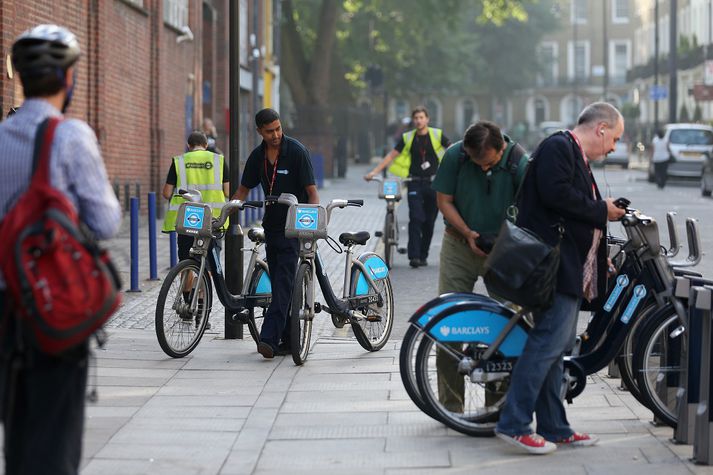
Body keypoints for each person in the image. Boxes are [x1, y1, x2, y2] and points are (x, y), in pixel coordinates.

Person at [0, 24, 122, 474]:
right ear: (68, 80)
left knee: (17, 432)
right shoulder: (70, 137)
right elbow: (106, 221)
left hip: (3, 307)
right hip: (52, 304)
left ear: (20, 79)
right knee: (53, 440)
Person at [494, 102, 626, 454]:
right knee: (546, 345)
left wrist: (600, 256)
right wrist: (603, 210)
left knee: (555, 350)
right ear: (600, 128)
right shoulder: (558, 146)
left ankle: (555, 426)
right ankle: (514, 422)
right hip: (555, 268)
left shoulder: (574, 154)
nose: (613, 147)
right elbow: (557, 196)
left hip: (568, 267)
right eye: (614, 138)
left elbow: (572, 208)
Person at [431, 120, 529, 412]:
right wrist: (468, 233)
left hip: (504, 249)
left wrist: (507, 240)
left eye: (489, 162)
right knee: (447, 322)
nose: (484, 167)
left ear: (501, 148)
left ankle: (497, 404)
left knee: (506, 324)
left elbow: (532, 209)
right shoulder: (455, 156)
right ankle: (452, 406)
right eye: (477, 162)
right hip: (459, 244)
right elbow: (444, 200)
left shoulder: (518, 161)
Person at [233, 108, 319, 359]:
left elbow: (312, 192)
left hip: (295, 228)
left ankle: (269, 338)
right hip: (272, 226)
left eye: (278, 129)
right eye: (269, 131)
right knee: (283, 282)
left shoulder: (296, 152)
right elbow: (242, 191)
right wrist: (225, 216)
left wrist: (311, 224)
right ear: (259, 131)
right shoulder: (257, 157)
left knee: (283, 281)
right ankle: (290, 340)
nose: (276, 135)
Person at [364, 106, 450, 268]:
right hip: (414, 182)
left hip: (434, 183)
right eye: (416, 118)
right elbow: (391, 155)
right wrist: (374, 172)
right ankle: (414, 256)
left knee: (429, 221)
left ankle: (423, 254)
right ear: (413, 120)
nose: (418, 120)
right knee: (416, 218)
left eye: (421, 117)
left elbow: (452, 149)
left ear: (427, 119)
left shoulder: (437, 135)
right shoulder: (408, 138)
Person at [162, 130, 230, 330]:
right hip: (212, 222)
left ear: (188, 145)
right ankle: (202, 313)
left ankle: (187, 308)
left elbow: (167, 192)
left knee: (187, 265)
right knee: (206, 268)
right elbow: (227, 191)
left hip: (187, 222)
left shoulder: (179, 161)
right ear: (206, 145)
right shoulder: (218, 161)